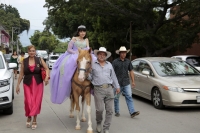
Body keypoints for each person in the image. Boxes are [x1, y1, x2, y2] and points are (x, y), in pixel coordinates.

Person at [50, 25, 96, 104]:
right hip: (75, 54)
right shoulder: (74, 39)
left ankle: (93, 82)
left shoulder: (86, 40)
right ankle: (68, 81)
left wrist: (88, 54)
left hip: (84, 55)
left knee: (94, 62)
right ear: (78, 32)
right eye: (81, 31)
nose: (82, 33)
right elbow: (69, 49)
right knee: (67, 64)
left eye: (84, 31)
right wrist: (76, 52)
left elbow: (88, 49)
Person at [16, 45, 49, 130]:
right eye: (30, 51)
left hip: (38, 84)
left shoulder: (39, 59)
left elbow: (47, 69)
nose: (32, 52)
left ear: (35, 51)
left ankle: (34, 119)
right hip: (27, 83)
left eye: (33, 51)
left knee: (36, 102)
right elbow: (21, 74)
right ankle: (29, 116)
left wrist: (46, 77)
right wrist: (17, 85)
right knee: (28, 102)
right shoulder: (24, 61)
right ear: (28, 51)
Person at [88, 47, 120, 133]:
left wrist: (117, 86)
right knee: (100, 110)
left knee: (110, 110)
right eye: (100, 54)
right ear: (97, 55)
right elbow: (90, 78)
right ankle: (99, 123)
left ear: (106, 56)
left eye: (103, 54)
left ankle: (106, 128)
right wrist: (88, 73)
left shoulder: (109, 64)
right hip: (98, 89)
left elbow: (113, 76)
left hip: (109, 89)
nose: (102, 56)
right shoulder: (93, 64)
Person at [112, 46, 140, 118]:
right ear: (120, 53)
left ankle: (132, 112)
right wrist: (112, 83)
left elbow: (131, 71)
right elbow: (112, 73)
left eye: (125, 53)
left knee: (129, 97)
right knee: (116, 98)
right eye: (122, 53)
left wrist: (133, 81)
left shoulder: (128, 61)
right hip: (117, 83)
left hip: (126, 82)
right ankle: (117, 111)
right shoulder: (115, 62)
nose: (124, 54)